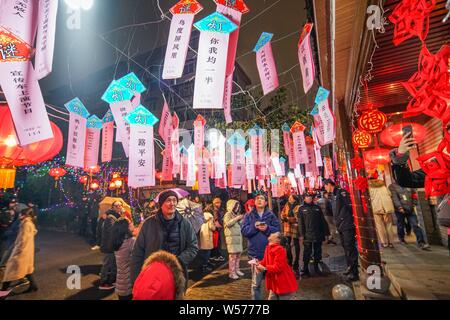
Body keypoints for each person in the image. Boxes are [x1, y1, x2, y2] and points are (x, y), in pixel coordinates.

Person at [130, 190, 198, 286]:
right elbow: (137, 252)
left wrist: (178, 260)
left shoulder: (184, 223)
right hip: (152, 274)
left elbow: (193, 247)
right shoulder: (148, 224)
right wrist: (136, 279)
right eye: (168, 200)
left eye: (174, 200)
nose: (172, 204)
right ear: (161, 204)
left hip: (176, 275)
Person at [241, 191, 280, 300]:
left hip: (271, 253)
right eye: (257, 198)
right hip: (255, 254)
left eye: (262, 198)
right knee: (256, 283)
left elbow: (277, 230)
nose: (259, 200)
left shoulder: (271, 215)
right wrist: (254, 227)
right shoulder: (249, 215)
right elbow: (244, 231)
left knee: (273, 281)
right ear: (254, 201)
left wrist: (267, 228)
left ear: (266, 202)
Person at [323, 179, 359, 281]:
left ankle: (355, 272)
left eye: (325, 186)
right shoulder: (333, 195)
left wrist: (348, 219)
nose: (325, 188)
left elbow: (349, 206)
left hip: (347, 225)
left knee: (350, 248)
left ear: (329, 185)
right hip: (341, 226)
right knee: (345, 247)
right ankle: (350, 268)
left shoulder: (341, 192)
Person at [0, 208, 38, 298]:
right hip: (27, 252)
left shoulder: (25, 224)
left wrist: (16, 252)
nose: (19, 215)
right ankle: (34, 286)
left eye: (21, 214)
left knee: (9, 271)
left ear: (26, 215)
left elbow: (23, 241)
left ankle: (2, 292)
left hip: (21, 253)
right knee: (28, 271)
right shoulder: (29, 223)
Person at [255, 232, 298, 300]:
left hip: (282, 281)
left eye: (274, 234)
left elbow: (278, 267)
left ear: (278, 240)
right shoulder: (268, 247)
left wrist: (265, 268)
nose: (271, 233)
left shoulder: (280, 249)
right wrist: (258, 264)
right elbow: (265, 261)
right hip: (274, 282)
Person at [388, 182, 431, 250]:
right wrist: (399, 207)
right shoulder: (392, 186)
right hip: (399, 210)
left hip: (410, 208)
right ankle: (401, 238)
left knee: (415, 224)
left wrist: (414, 203)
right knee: (401, 224)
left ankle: (421, 242)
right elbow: (394, 198)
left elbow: (414, 194)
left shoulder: (409, 183)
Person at [298, 192, 329, 277]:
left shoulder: (317, 208)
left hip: (318, 234)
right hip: (307, 235)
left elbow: (322, 221)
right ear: (304, 198)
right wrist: (301, 235)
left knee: (318, 252)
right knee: (307, 252)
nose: (309, 198)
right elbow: (300, 223)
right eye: (307, 197)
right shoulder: (301, 209)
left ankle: (316, 268)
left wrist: (326, 233)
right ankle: (305, 269)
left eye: (310, 197)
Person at [99, 201, 124, 290]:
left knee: (113, 264)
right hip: (109, 245)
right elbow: (112, 231)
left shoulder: (117, 217)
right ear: (112, 207)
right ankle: (103, 282)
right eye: (117, 205)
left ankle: (112, 280)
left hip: (113, 245)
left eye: (120, 205)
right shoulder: (110, 218)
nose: (119, 207)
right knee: (107, 264)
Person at [368, 177, 396, 248]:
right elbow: (390, 194)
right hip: (387, 207)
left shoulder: (370, 188)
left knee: (380, 226)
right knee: (389, 225)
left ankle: (384, 242)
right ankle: (391, 242)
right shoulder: (383, 187)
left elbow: (369, 198)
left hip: (376, 208)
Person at [112, 218, 136, 300]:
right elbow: (136, 260)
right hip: (128, 284)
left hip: (120, 283)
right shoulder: (131, 241)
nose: (132, 223)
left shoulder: (118, 241)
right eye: (130, 223)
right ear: (126, 227)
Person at [280, 194, 301, 277]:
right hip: (287, 227)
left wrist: (288, 219)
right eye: (289, 198)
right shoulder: (286, 205)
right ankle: (289, 260)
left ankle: (296, 262)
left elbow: (298, 217)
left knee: (296, 244)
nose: (289, 199)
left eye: (291, 198)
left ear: (295, 200)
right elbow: (282, 213)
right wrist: (284, 217)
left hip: (295, 226)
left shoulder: (298, 206)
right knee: (287, 244)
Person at [223, 199, 244, 280]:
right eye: (236, 205)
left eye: (238, 205)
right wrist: (237, 219)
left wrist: (241, 219)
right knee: (233, 256)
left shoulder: (236, 214)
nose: (237, 207)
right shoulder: (227, 214)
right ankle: (232, 272)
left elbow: (239, 224)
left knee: (238, 255)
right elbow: (228, 224)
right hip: (232, 237)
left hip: (238, 237)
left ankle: (237, 269)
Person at [198, 204, 216, 273]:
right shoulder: (210, 216)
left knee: (203, 250)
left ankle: (204, 264)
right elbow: (212, 227)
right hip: (208, 234)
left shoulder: (202, 215)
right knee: (207, 251)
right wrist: (215, 226)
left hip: (202, 233)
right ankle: (205, 265)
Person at [210, 196, 226, 262]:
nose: (218, 204)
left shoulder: (220, 209)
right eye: (216, 202)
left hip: (217, 229)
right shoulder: (211, 210)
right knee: (215, 242)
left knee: (217, 242)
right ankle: (216, 255)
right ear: (213, 202)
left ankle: (215, 255)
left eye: (219, 202)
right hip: (213, 229)